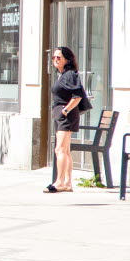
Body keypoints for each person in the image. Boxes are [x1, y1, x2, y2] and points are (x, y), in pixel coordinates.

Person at [48, 46, 85, 194]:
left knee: (60, 149)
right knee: (66, 150)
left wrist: (65, 110)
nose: (55, 60)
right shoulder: (63, 74)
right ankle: (68, 183)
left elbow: (77, 96)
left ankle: (59, 182)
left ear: (67, 60)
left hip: (66, 116)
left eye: (59, 57)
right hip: (62, 115)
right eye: (54, 57)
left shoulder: (69, 74)